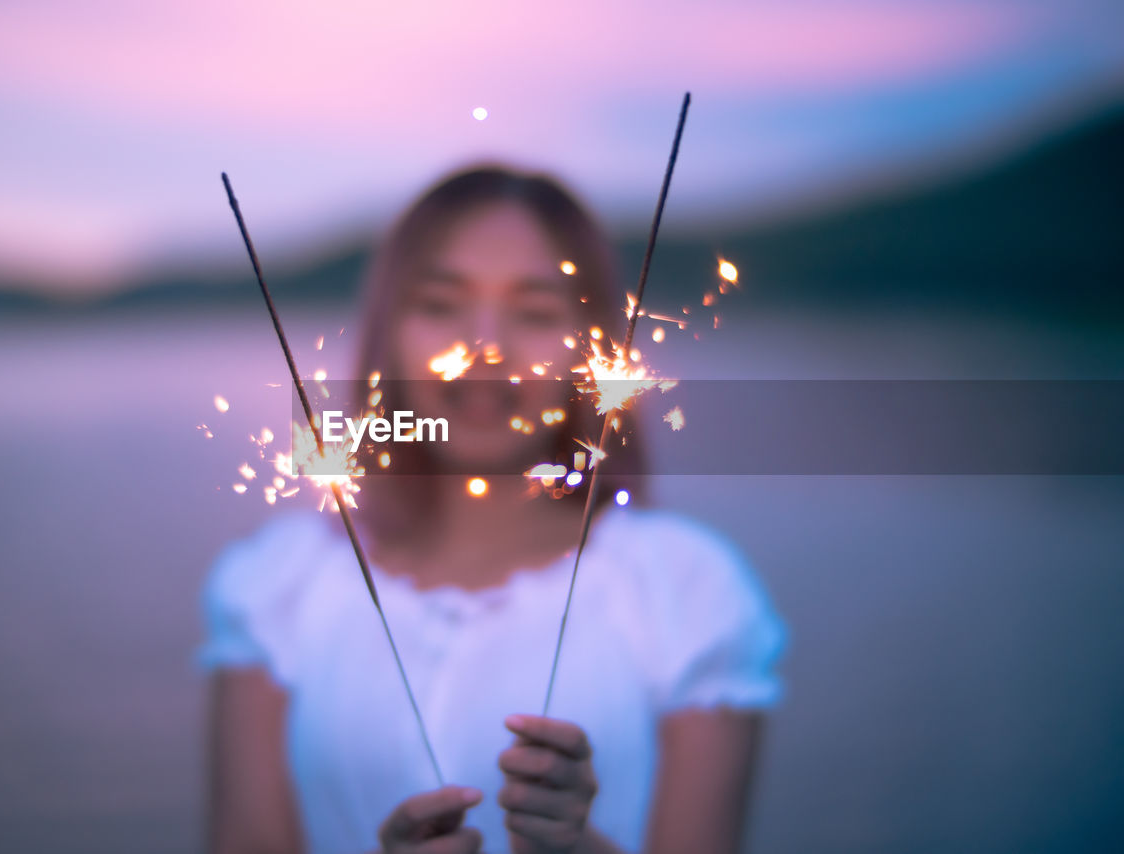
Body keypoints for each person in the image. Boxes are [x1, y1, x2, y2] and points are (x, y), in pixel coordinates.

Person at [199, 163, 787, 854]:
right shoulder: (278, 587)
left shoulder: (686, 592)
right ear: (386, 333)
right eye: (441, 305)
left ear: (594, 347)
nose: (484, 349)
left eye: (536, 313)